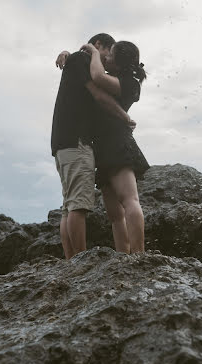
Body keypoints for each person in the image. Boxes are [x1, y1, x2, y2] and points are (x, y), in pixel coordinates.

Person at [59, 40, 149, 253]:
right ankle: (123, 255)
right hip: (103, 147)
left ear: (118, 62)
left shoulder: (128, 83)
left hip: (117, 143)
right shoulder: (121, 78)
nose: (105, 59)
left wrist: (91, 50)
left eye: (109, 57)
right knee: (115, 215)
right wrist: (69, 54)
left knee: (129, 201)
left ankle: (138, 254)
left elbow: (97, 77)